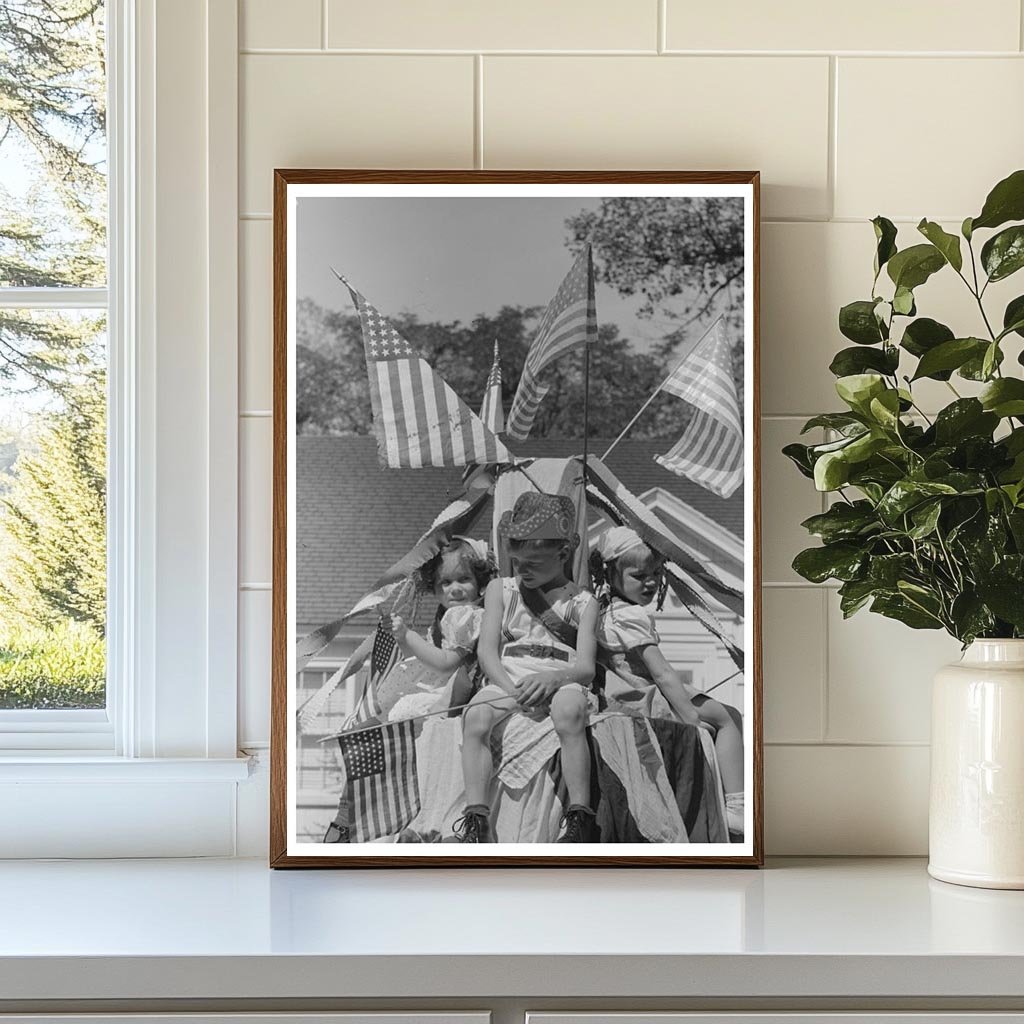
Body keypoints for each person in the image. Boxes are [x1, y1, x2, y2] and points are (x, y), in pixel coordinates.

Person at [455, 492, 600, 844]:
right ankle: (476, 818)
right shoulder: (500, 590)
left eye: (533, 563)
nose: (522, 570)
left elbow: (585, 668)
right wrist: (511, 689)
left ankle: (579, 816)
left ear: (563, 554)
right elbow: (489, 653)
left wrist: (553, 680)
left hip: (560, 676)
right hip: (510, 676)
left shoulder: (582, 602)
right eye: (517, 562)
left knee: (570, 712)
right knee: (476, 716)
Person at [591, 526, 745, 838]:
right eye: (639, 575)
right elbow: (660, 672)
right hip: (643, 692)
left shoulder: (606, 610)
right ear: (611, 575)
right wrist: (689, 715)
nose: (650, 582)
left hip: (624, 689)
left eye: (656, 573)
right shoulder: (629, 615)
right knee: (728, 717)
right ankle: (736, 803)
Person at [384, 537, 495, 721]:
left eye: (464, 579)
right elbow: (424, 662)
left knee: (404, 709)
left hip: (455, 693)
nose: (456, 588)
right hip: (442, 688)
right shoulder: (446, 618)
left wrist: (409, 635)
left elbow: (445, 664)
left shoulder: (467, 616)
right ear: (433, 588)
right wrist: (402, 638)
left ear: (479, 582)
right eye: (446, 582)